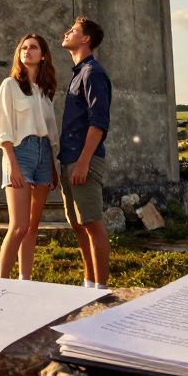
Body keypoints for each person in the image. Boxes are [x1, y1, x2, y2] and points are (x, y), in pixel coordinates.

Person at [0, 33, 59, 280]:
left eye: (33, 48)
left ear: (43, 56)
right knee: (18, 226)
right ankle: (1, 283)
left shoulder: (44, 92)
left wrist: (53, 167)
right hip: (20, 152)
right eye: (24, 48)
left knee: (32, 227)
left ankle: (26, 281)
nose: (27, 51)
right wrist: (13, 164)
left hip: (44, 155)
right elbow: (3, 129)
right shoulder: (9, 85)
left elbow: (50, 133)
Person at [58, 16, 112, 289]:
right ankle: (89, 282)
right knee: (78, 225)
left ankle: (101, 288)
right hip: (70, 159)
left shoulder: (92, 73)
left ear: (86, 38)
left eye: (73, 31)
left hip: (83, 159)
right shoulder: (78, 73)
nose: (67, 33)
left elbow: (98, 123)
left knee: (91, 222)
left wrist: (83, 162)